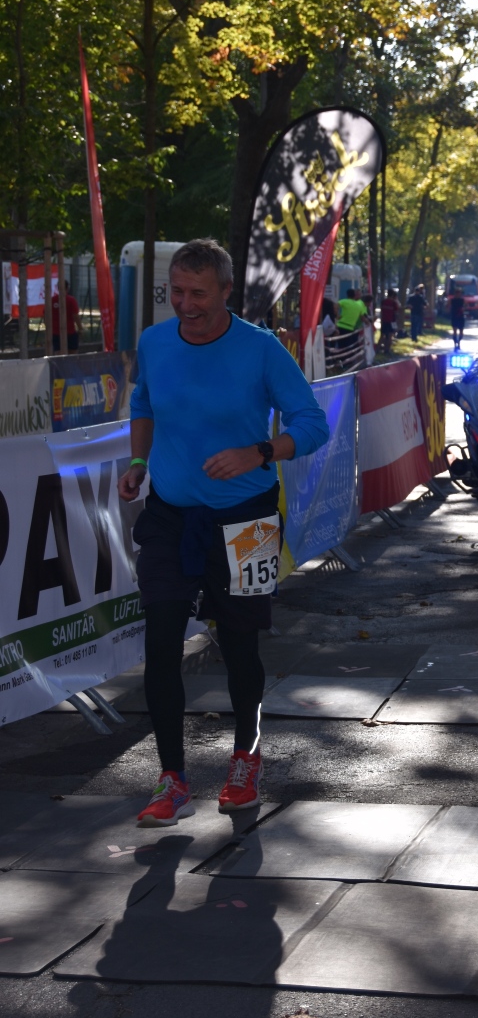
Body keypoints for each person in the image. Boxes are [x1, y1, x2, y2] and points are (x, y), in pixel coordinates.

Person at [118, 238, 329, 827]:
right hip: (170, 517)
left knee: (239, 646)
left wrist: (258, 452)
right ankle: (172, 778)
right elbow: (143, 404)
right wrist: (138, 463)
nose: (186, 305)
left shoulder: (260, 349)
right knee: (161, 641)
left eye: (199, 294)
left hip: (247, 519)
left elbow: (313, 423)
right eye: (176, 292)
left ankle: (245, 759)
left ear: (227, 292)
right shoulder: (155, 342)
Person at [51, 280, 82, 353]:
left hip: (56, 332)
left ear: (58, 288)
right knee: (72, 353)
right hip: (70, 331)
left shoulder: (52, 300)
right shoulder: (71, 300)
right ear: (67, 288)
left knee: (58, 354)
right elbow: (75, 316)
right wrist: (80, 328)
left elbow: (46, 316)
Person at [379, 289, 401, 354]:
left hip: (384, 320)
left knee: (382, 335)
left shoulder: (383, 301)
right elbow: (397, 311)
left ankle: (377, 349)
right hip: (392, 321)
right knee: (390, 336)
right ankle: (387, 350)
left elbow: (381, 311)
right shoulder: (393, 303)